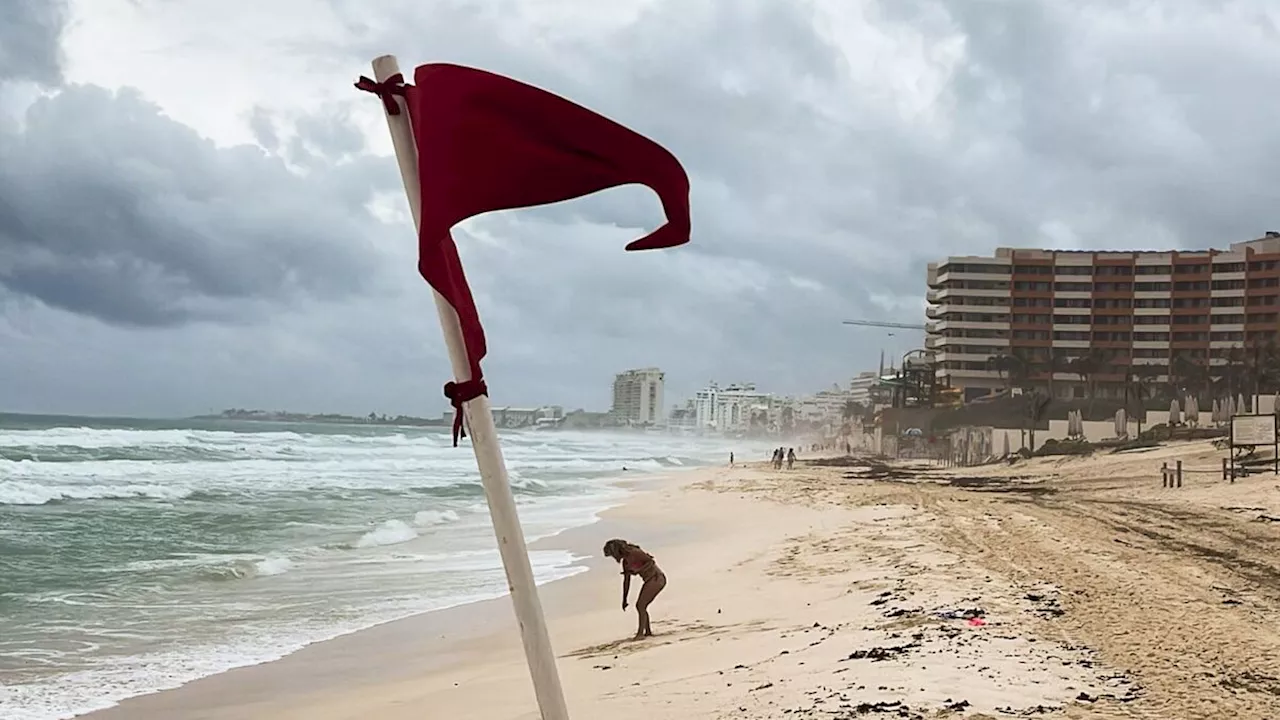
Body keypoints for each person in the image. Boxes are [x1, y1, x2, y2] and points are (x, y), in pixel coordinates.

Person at [603, 538, 667, 638]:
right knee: (642, 606)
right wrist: (624, 599)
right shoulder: (626, 562)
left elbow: (650, 561)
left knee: (640, 605)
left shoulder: (635, 553)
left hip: (657, 578)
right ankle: (647, 632)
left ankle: (640, 634)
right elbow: (626, 581)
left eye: (612, 554)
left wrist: (638, 570)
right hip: (649, 580)